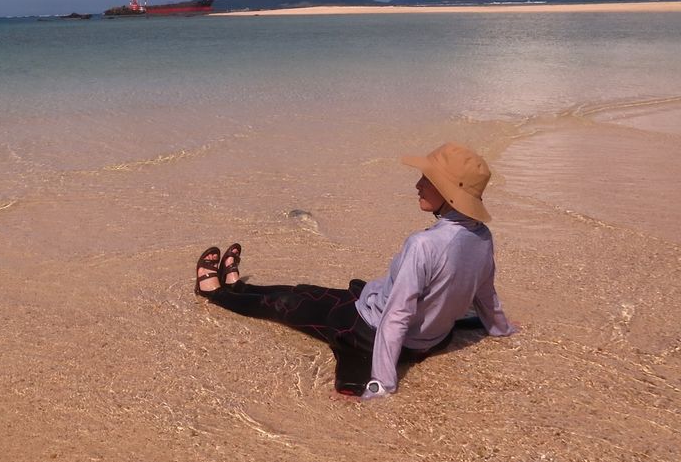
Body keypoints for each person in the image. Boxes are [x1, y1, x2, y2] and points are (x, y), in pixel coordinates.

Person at [194, 143, 516, 398]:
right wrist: (500, 329)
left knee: (289, 302)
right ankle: (236, 288)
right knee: (308, 294)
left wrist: (382, 383)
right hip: (431, 338)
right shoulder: (482, 238)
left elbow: (397, 315)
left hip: (367, 331)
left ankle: (216, 292)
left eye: (428, 180)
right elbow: (485, 295)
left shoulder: (424, 245)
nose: (418, 184)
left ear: (449, 192)